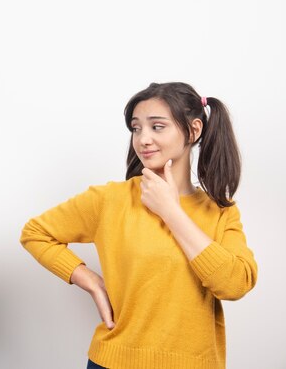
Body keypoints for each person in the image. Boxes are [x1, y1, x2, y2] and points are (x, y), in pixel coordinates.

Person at [20, 82, 257, 369]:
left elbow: (234, 285)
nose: (143, 139)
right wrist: (90, 281)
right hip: (112, 362)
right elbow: (35, 233)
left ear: (194, 130)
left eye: (157, 127)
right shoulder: (110, 200)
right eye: (136, 128)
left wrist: (172, 212)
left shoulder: (220, 212)